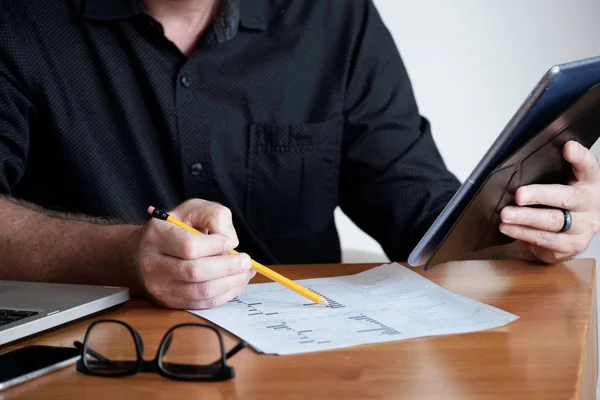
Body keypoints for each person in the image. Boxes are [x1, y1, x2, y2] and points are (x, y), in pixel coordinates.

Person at [0, 0, 598, 309]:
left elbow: (418, 211)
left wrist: (526, 227)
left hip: (302, 369)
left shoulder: (333, 17)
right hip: (94, 363)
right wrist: (124, 252)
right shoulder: (19, 20)